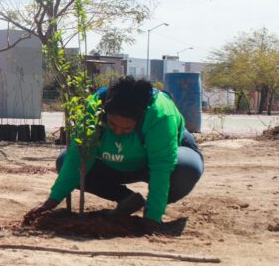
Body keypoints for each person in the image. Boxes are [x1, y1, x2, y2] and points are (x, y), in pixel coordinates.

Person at [26, 76, 204, 224]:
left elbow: (161, 168)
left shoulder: (160, 116)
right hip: (116, 162)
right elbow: (77, 158)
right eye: (112, 124)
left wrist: (152, 219)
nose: (118, 132)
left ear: (140, 117)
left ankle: (153, 205)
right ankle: (127, 199)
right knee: (64, 160)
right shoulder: (94, 108)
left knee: (187, 170)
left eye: (126, 129)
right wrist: (51, 202)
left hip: (157, 160)